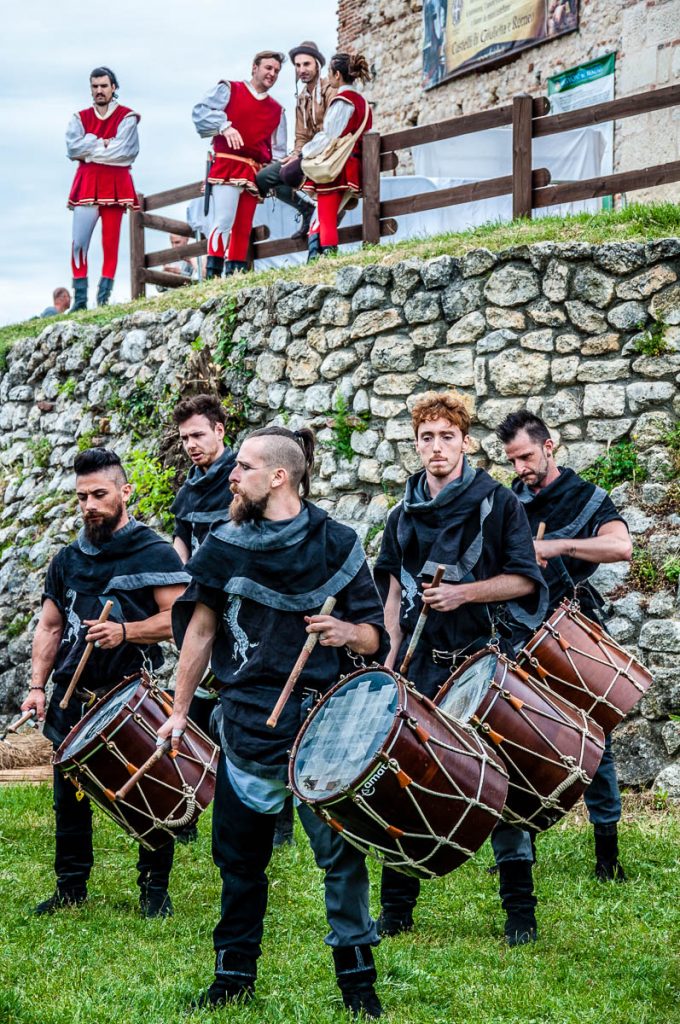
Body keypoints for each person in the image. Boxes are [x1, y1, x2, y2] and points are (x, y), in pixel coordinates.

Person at [158, 426, 388, 1016]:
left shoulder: (338, 543)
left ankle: (358, 987)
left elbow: (374, 635)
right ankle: (232, 976)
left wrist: (345, 633)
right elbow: (202, 633)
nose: (232, 475)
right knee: (239, 865)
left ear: (279, 476)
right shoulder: (223, 543)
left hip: (325, 730)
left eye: (245, 466)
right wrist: (180, 711)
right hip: (245, 724)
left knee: (342, 864)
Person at [373, 391, 548, 946]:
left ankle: (520, 912)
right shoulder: (402, 513)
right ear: (416, 442)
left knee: (507, 785)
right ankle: (397, 911)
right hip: (422, 666)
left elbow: (524, 579)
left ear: (465, 442)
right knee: (406, 777)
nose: (436, 448)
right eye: (426, 437)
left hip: (483, 663)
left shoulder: (500, 503)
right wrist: (391, 654)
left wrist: (464, 593)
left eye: (447, 437)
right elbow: (392, 588)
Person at [20, 448, 189, 918]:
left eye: (98, 493)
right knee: (67, 801)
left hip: (129, 697)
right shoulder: (67, 559)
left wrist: (125, 632)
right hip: (71, 696)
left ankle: (155, 891)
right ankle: (70, 887)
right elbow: (51, 627)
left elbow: (180, 622)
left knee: (150, 792)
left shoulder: (153, 552)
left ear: (124, 491)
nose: (89, 504)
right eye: (82, 497)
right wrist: (37, 688)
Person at [497, 410, 633, 882]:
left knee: (598, 744)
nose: (520, 469)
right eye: (512, 461)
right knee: (518, 739)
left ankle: (607, 855)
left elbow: (620, 547)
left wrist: (558, 546)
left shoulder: (586, 496)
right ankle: (519, 851)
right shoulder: (506, 501)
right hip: (515, 632)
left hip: (571, 631)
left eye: (527, 457)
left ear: (549, 446)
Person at [193, 51, 287, 279]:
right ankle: (212, 278)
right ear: (254, 68)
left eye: (276, 70)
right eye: (268, 68)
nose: (272, 74)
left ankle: (235, 277)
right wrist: (224, 126)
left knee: (243, 227)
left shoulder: (277, 111)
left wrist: (271, 175)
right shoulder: (230, 89)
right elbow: (200, 112)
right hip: (228, 164)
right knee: (224, 220)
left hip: (254, 171)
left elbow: (278, 151)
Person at [66, 67, 140, 311]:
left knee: (111, 244)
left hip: (115, 185)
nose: (99, 90)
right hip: (87, 183)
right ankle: (79, 300)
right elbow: (73, 149)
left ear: (113, 88)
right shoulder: (79, 118)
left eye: (104, 86)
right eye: (95, 86)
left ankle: (103, 298)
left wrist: (90, 149)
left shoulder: (128, 117)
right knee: (79, 242)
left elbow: (126, 152)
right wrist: (101, 143)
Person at [255, 40, 335, 241]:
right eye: (297, 66)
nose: (302, 70)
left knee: (288, 172)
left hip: (329, 152)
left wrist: (301, 154)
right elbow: (301, 136)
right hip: (307, 154)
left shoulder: (330, 89)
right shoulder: (301, 99)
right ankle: (306, 209)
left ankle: (320, 226)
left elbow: (333, 130)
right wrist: (294, 154)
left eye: (306, 64)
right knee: (264, 178)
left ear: (317, 64)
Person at [301, 52, 373, 260]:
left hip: (337, 167)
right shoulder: (364, 104)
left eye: (329, 73)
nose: (328, 77)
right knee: (325, 217)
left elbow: (329, 137)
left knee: (325, 218)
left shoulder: (342, 101)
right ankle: (321, 261)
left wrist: (306, 152)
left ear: (337, 75)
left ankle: (322, 263)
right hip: (353, 166)